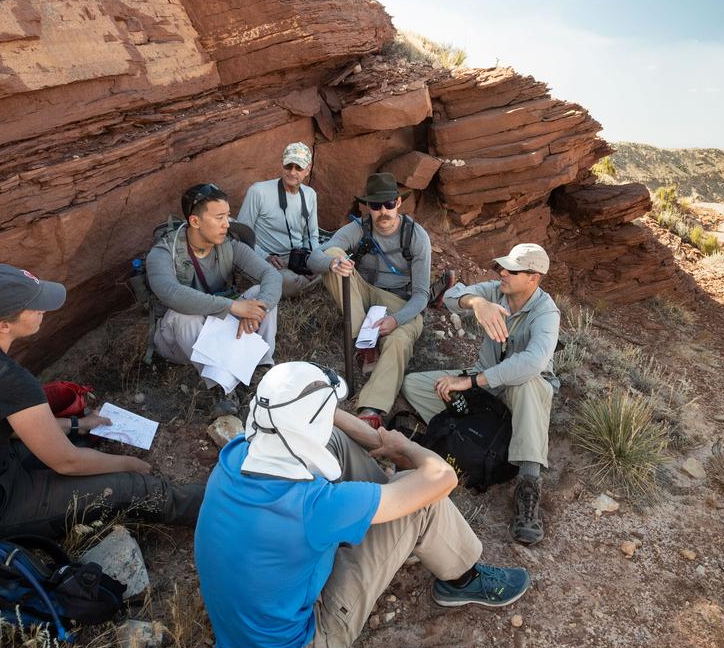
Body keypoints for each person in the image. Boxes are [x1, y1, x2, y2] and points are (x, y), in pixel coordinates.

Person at [194, 361, 530, 648]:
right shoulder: (314, 507)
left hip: (242, 623)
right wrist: (406, 448)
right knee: (424, 502)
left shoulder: (236, 452)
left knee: (335, 443)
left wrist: (378, 440)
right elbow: (442, 478)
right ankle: (462, 579)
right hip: (303, 645)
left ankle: (392, 515)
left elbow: (318, 426)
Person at [0, 263, 204, 541]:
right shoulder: (4, 376)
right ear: (4, 324)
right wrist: (129, 465)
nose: (43, 309)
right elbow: (65, 462)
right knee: (136, 488)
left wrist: (77, 424)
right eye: (34, 306)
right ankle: (224, 509)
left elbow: (7, 425)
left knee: (82, 448)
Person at [401, 243, 560, 545]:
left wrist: (472, 383)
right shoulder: (496, 291)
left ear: (533, 277)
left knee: (529, 382)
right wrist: (476, 302)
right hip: (486, 385)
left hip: (518, 390)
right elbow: (450, 295)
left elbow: (531, 363)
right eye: (503, 267)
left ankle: (528, 482)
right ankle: (474, 429)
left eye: (512, 270)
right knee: (416, 386)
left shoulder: (546, 312)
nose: (502, 273)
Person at [307, 172, 447, 429]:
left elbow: (420, 296)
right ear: (367, 206)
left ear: (399, 203)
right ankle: (364, 343)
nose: (383, 211)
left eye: (388, 204)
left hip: (401, 301)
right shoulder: (358, 228)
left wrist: (396, 320)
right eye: (375, 205)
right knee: (335, 254)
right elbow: (312, 259)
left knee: (398, 341)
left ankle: (371, 408)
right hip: (366, 292)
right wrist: (333, 263)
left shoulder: (416, 236)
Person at [147, 182, 283, 417]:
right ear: (195, 221)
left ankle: (260, 367)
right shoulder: (163, 253)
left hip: (220, 329)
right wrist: (232, 306)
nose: (226, 224)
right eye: (219, 217)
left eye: (228, 216)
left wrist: (257, 310)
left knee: (260, 295)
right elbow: (171, 293)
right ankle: (221, 388)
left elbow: (270, 274)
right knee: (183, 315)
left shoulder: (228, 245)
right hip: (177, 342)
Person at [237, 142, 321, 298]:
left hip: (297, 257)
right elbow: (241, 235)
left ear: (308, 169)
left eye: (298, 168)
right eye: (288, 166)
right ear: (282, 164)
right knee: (287, 282)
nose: (292, 172)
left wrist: (314, 261)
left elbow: (312, 237)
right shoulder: (258, 191)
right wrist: (265, 256)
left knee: (330, 266)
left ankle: (296, 283)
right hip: (267, 258)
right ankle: (301, 285)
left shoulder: (310, 194)